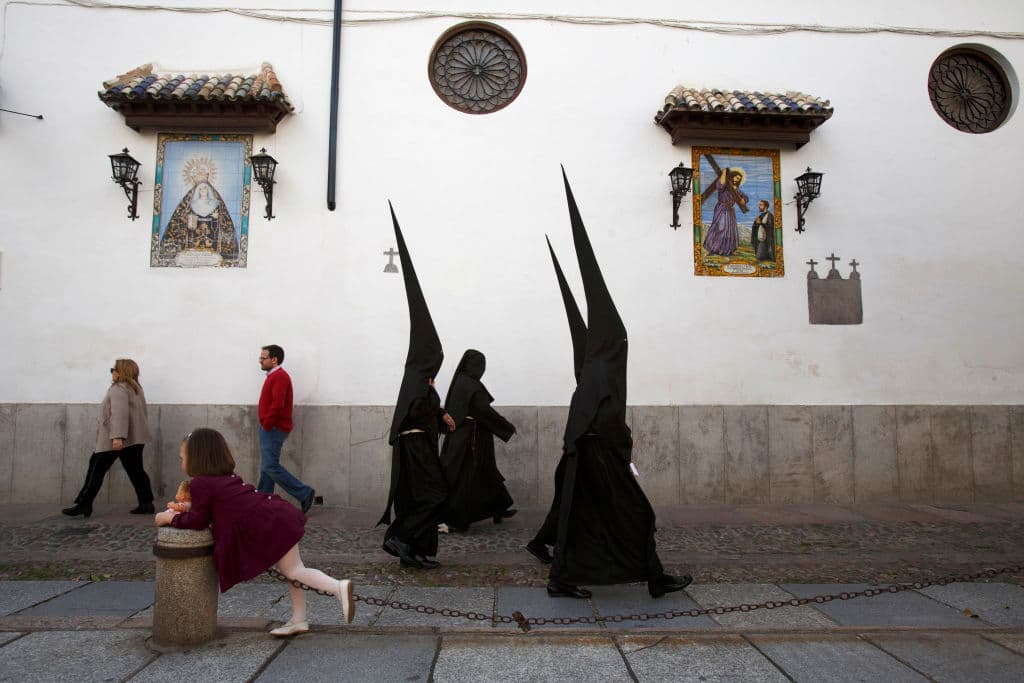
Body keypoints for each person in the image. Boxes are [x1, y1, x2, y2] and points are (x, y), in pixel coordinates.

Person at [540, 169, 692, 600]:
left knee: (591, 520)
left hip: (592, 458)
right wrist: (623, 443)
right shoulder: (601, 372)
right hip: (598, 459)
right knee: (637, 513)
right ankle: (628, 577)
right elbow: (599, 419)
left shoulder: (596, 371)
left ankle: (581, 578)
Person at [155, 428, 354, 637]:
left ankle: (338, 588)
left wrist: (169, 517)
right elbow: (215, 509)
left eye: (182, 457)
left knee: (294, 571)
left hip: (271, 522)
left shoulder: (201, 483)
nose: (181, 462)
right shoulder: (224, 477)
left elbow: (198, 521)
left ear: (197, 457)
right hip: (276, 515)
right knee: (294, 569)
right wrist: (187, 508)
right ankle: (299, 619)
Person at [378, 202, 454, 570]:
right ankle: (400, 537)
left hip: (420, 445)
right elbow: (419, 412)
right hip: (417, 448)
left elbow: (426, 409)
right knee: (435, 494)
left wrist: (442, 415)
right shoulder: (418, 385)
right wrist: (440, 416)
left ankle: (418, 549)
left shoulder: (420, 384)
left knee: (421, 496)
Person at [526, 237, 587, 565]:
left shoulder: (583, 391)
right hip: (576, 461)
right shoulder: (584, 392)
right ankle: (561, 560)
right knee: (567, 507)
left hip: (575, 460)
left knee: (567, 507)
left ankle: (543, 545)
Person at [62, 359, 155, 518]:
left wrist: (117, 437)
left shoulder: (118, 389)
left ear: (121, 371)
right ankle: (146, 503)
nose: (112, 372)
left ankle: (84, 504)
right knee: (136, 471)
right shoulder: (135, 388)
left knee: (96, 469)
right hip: (135, 439)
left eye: (114, 369)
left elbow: (119, 414)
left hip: (116, 439)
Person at [440, 349, 517, 531]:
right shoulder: (471, 385)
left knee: (486, 473)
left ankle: (497, 508)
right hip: (469, 441)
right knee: (467, 478)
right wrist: (507, 426)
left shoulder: (461, 381)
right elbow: (483, 411)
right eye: (480, 365)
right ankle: (456, 520)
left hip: (465, 437)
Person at [257, 345, 316, 514]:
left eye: (263, 358)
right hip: (270, 427)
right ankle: (263, 500)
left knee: (270, 466)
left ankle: (304, 492)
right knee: (267, 467)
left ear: (274, 359)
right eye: (260, 358)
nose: (260, 361)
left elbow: (278, 404)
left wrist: (267, 424)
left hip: (274, 428)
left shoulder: (280, 377)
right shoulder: (274, 376)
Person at [158, 178, 239, 263]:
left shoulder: (215, 204)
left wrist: (217, 217)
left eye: (204, 188)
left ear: (208, 190)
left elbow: (224, 221)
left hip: (212, 237)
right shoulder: (192, 204)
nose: (202, 191)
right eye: (200, 189)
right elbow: (182, 219)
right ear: (197, 191)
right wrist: (190, 219)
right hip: (194, 237)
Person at [702, 167, 749, 256]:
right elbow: (720, 185)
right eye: (737, 178)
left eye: (739, 179)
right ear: (733, 176)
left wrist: (744, 200)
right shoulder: (726, 185)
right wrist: (723, 173)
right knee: (719, 228)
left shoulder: (737, 189)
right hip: (722, 208)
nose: (737, 180)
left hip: (730, 210)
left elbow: (745, 197)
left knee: (730, 230)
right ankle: (711, 249)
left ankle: (730, 249)